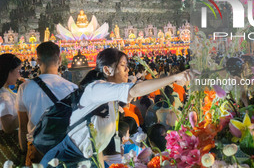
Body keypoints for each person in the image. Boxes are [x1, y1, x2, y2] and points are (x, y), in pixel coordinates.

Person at [40, 48, 193, 167]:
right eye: (123, 66)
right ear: (107, 70)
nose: (127, 70)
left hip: (86, 161)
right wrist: (174, 78)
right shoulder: (96, 89)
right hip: (62, 161)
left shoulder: (111, 102)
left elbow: (97, 145)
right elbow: (135, 89)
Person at [16, 42, 78, 166]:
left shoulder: (24, 88)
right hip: (65, 148)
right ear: (60, 59)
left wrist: (24, 152)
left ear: (38, 61)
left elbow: (22, 126)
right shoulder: (73, 88)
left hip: (37, 149)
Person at [0, 54, 23, 166]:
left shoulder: (5, 91)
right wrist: (26, 111)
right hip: (8, 145)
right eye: (18, 70)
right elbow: (8, 127)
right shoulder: (4, 97)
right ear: (8, 71)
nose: (19, 75)